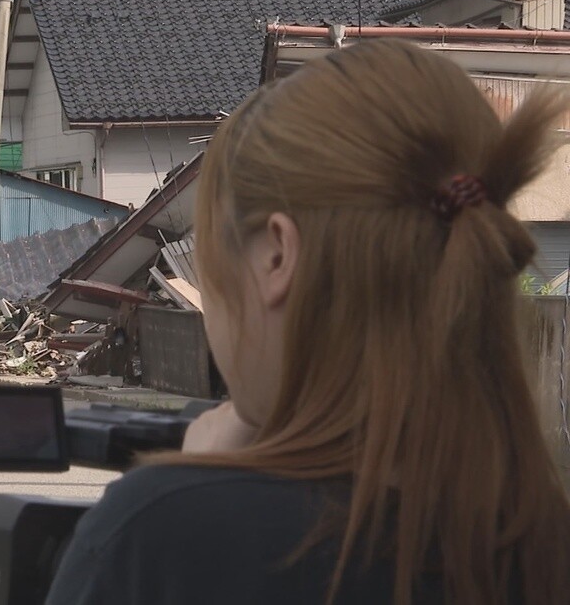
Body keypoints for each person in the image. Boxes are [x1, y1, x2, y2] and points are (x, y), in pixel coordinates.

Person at [45, 39, 570, 605]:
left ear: (276, 258)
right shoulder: (543, 539)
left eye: (214, 267)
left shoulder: (166, 537)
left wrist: (205, 488)